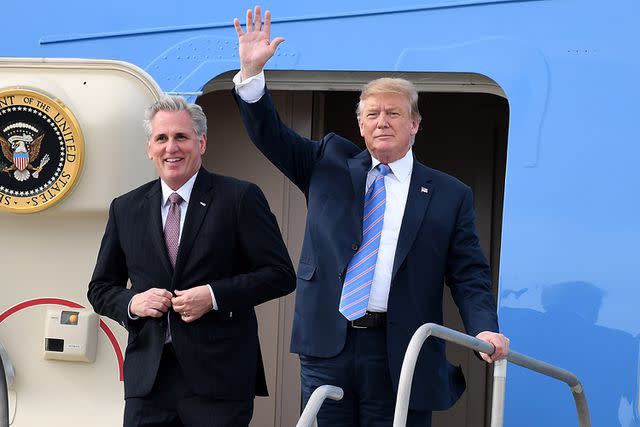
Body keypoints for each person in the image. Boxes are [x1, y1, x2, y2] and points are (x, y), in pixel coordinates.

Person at [231, 6, 510, 426]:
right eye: (373, 114)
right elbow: (271, 134)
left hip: (403, 350)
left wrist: (484, 328)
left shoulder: (450, 194)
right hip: (329, 346)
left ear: (415, 124)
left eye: (394, 113)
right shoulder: (326, 161)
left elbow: (469, 274)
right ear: (360, 125)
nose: (383, 121)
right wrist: (251, 76)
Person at [87, 95, 296, 427]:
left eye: (181, 137)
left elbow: (280, 274)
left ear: (201, 142)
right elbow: (99, 289)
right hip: (149, 381)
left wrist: (212, 297)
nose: (172, 147)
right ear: (149, 148)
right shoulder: (125, 208)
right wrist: (133, 302)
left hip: (219, 381)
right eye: (162, 138)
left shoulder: (240, 198)